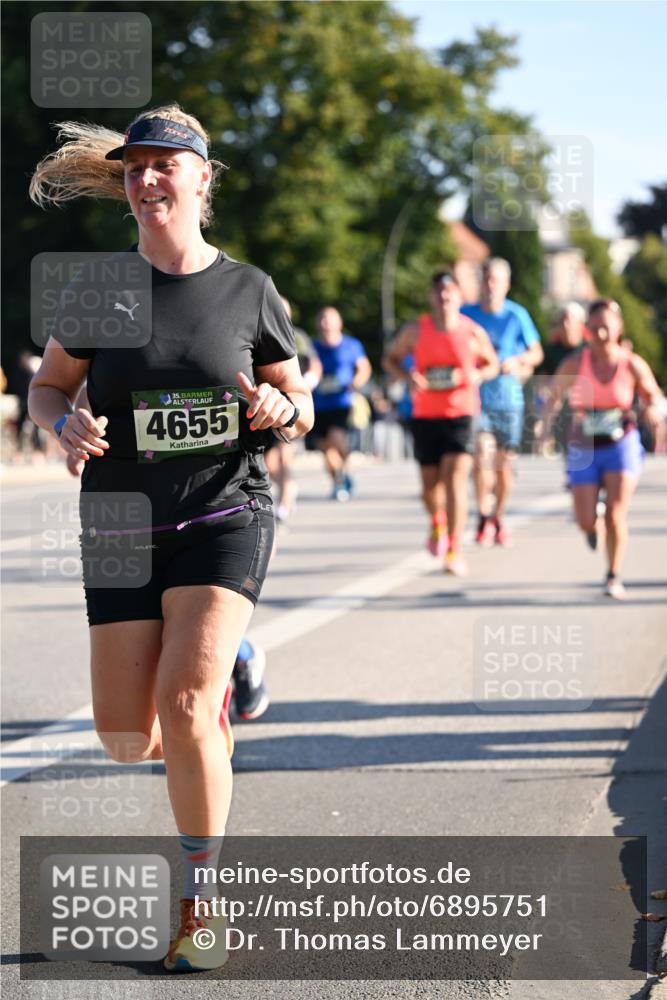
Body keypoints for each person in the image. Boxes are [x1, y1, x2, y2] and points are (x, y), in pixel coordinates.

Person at [27, 104, 313, 971]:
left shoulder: (248, 290)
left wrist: (280, 409)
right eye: (135, 167)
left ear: (201, 178)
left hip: (225, 512)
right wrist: (60, 427)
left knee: (187, 707)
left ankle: (199, 907)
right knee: (127, 735)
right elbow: (48, 387)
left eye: (164, 164)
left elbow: (297, 401)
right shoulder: (96, 292)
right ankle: (240, 662)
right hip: (119, 521)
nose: (147, 179)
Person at [540, 299, 664, 598]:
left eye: (607, 328)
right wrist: (544, 428)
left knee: (616, 513)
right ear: (588, 330)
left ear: (619, 328)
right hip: (583, 445)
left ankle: (612, 575)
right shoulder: (575, 363)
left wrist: (652, 410)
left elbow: (655, 397)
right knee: (585, 520)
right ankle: (592, 526)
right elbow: (554, 396)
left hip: (621, 443)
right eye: (595, 329)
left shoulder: (631, 364)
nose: (602, 335)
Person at [383, 271, 498, 575]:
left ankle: (455, 550)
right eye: (439, 292)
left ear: (459, 297)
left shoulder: (472, 332)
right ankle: (437, 522)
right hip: (425, 415)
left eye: (450, 292)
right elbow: (390, 359)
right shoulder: (416, 330)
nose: (444, 297)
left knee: (455, 480)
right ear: (432, 297)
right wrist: (408, 376)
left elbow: (492, 364)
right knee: (429, 488)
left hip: (462, 413)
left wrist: (477, 374)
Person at [461, 258, 544, 546]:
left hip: (509, 400)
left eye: (495, 279)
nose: (490, 285)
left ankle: (499, 515)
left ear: (506, 285)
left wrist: (518, 360)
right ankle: (483, 515)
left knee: (503, 467)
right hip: (475, 400)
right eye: (485, 279)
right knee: (481, 456)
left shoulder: (517, 315)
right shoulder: (465, 314)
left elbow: (536, 353)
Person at [263, 297, 321, 524]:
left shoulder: (297, 336)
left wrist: (309, 382)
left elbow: (314, 363)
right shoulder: (258, 329)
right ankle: (289, 489)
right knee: (270, 463)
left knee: (285, 459)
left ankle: (285, 504)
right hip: (266, 405)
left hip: (290, 405)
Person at [309, 306, 371, 501]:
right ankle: (339, 480)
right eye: (322, 319)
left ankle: (343, 473)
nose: (325, 323)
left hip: (341, 402)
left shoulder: (351, 345)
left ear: (339, 323)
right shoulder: (313, 348)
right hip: (318, 405)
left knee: (336, 440)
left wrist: (356, 382)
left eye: (330, 319)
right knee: (327, 450)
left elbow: (364, 367)